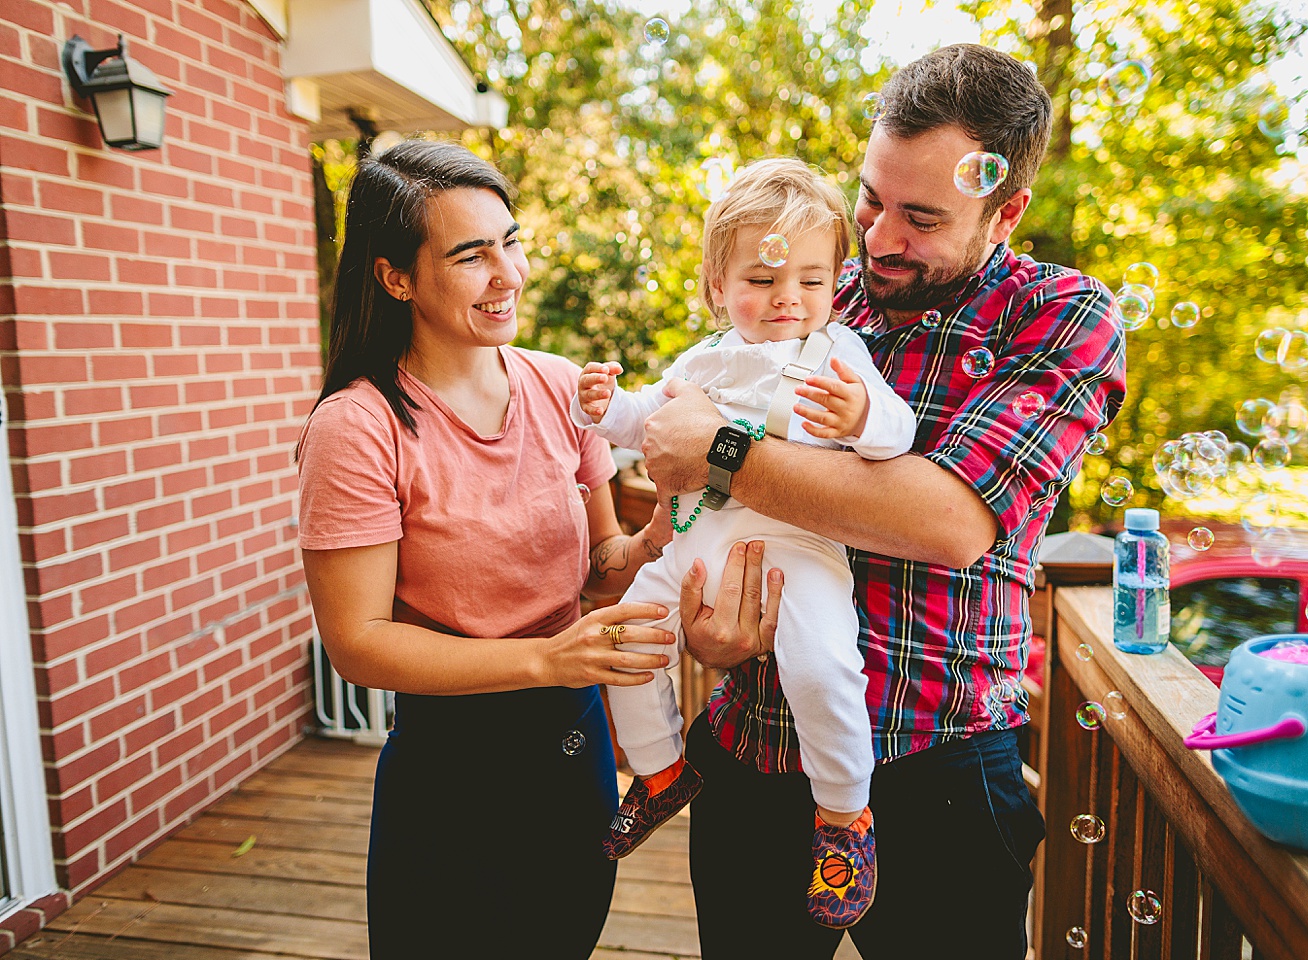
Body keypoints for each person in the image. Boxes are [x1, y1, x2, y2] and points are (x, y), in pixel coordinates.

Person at [639, 44, 1128, 958]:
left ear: (1006, 209)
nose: (876, 237)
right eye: (870, 196)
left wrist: (721, 450)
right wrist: (704, 625)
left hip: (940, 768)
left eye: (921, 217)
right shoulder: (815, 289)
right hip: (754, 741)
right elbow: (694, 466)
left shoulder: (1060, 316)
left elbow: (947, 521)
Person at [295, 140, 678, 959]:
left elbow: (604, 559)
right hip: (451, 776)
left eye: (511, 241)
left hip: (576, 753)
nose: (508, 274)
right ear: (396, 276)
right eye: (472, 254)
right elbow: (358, 643)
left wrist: (659, 533)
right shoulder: (359, 427)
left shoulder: (557, 386)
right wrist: (546, 659)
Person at [571, 158, 917, 928]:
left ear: (834, 282)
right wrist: (604, 407)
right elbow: (645, 426)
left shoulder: (839, 354)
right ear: (715, 287)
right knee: (623, 634)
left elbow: (899, 434)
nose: (787, 297)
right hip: (700, 542)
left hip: (800, 552)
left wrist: (863, 418)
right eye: (761, 279)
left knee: (824, 668)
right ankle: (661, 773)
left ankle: (843, 819)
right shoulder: (704, 361)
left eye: (810, 279)